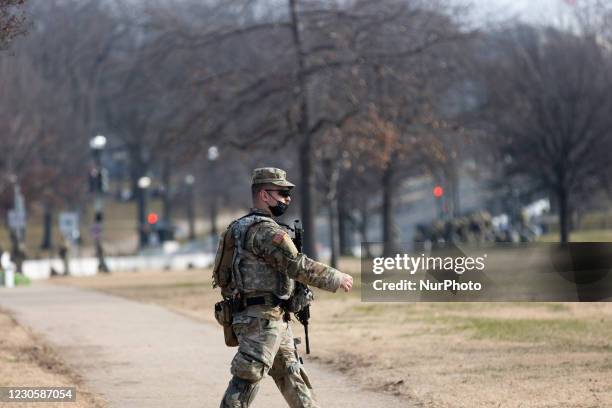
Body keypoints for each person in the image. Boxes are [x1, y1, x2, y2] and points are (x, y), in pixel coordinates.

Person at [218, 167, 353, 408]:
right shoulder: (265, 231)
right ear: (264, 195)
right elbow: (296, 265)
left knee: (292, 377)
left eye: (287, 193)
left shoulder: (238, 227)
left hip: (267, 317)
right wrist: (335, 277)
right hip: (261, 321)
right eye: (281, 192)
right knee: (245, 381)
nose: (287, 198)